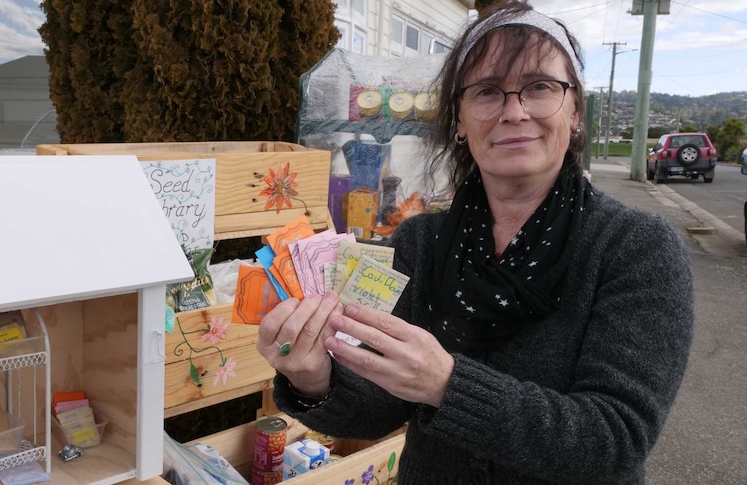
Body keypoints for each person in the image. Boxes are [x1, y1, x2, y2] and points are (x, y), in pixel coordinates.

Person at [256, 1, 694, 483]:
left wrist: (447, 385)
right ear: (461, 121)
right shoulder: (421, 242)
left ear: (576, 114)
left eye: (540, 87)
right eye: (487, 91)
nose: (514, 111)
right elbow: (380, 409)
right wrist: (313, 378)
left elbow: (614, 439)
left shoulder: (635, 249)